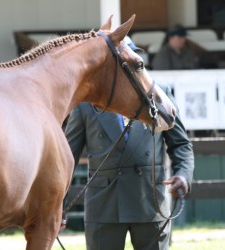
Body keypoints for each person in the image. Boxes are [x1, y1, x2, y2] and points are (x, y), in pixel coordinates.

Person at [64, 37, 194, 250]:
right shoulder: (85, 103)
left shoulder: (159, 94)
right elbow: (67, 158)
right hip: (103, 207)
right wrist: (58, 205)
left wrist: (183, 174)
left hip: (150, 202)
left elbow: (181, 144)